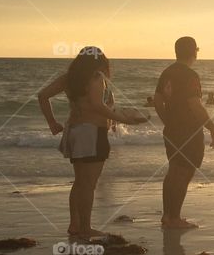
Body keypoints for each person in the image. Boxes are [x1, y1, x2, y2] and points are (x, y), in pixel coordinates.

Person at [38, 47, 149, 235]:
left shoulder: (69, 78)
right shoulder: (96, 77)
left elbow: (42, 96)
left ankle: (75, 225)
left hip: (73, 131)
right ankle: (85, 228)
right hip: (91, 133)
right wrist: (125, 119)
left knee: (79, 182)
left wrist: (52, 122)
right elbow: (98, 106)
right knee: (89, 184)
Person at [154, 37, 214, 229]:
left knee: (173, 171)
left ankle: (168, 215)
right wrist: (212, 128)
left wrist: (168, 121)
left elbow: (157, 101)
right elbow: (195, 106)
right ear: (194, 52)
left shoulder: (167, 72)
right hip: (188, 132)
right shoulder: (190, 75)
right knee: (184, 173)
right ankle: (174, 218)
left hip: (172, 131)